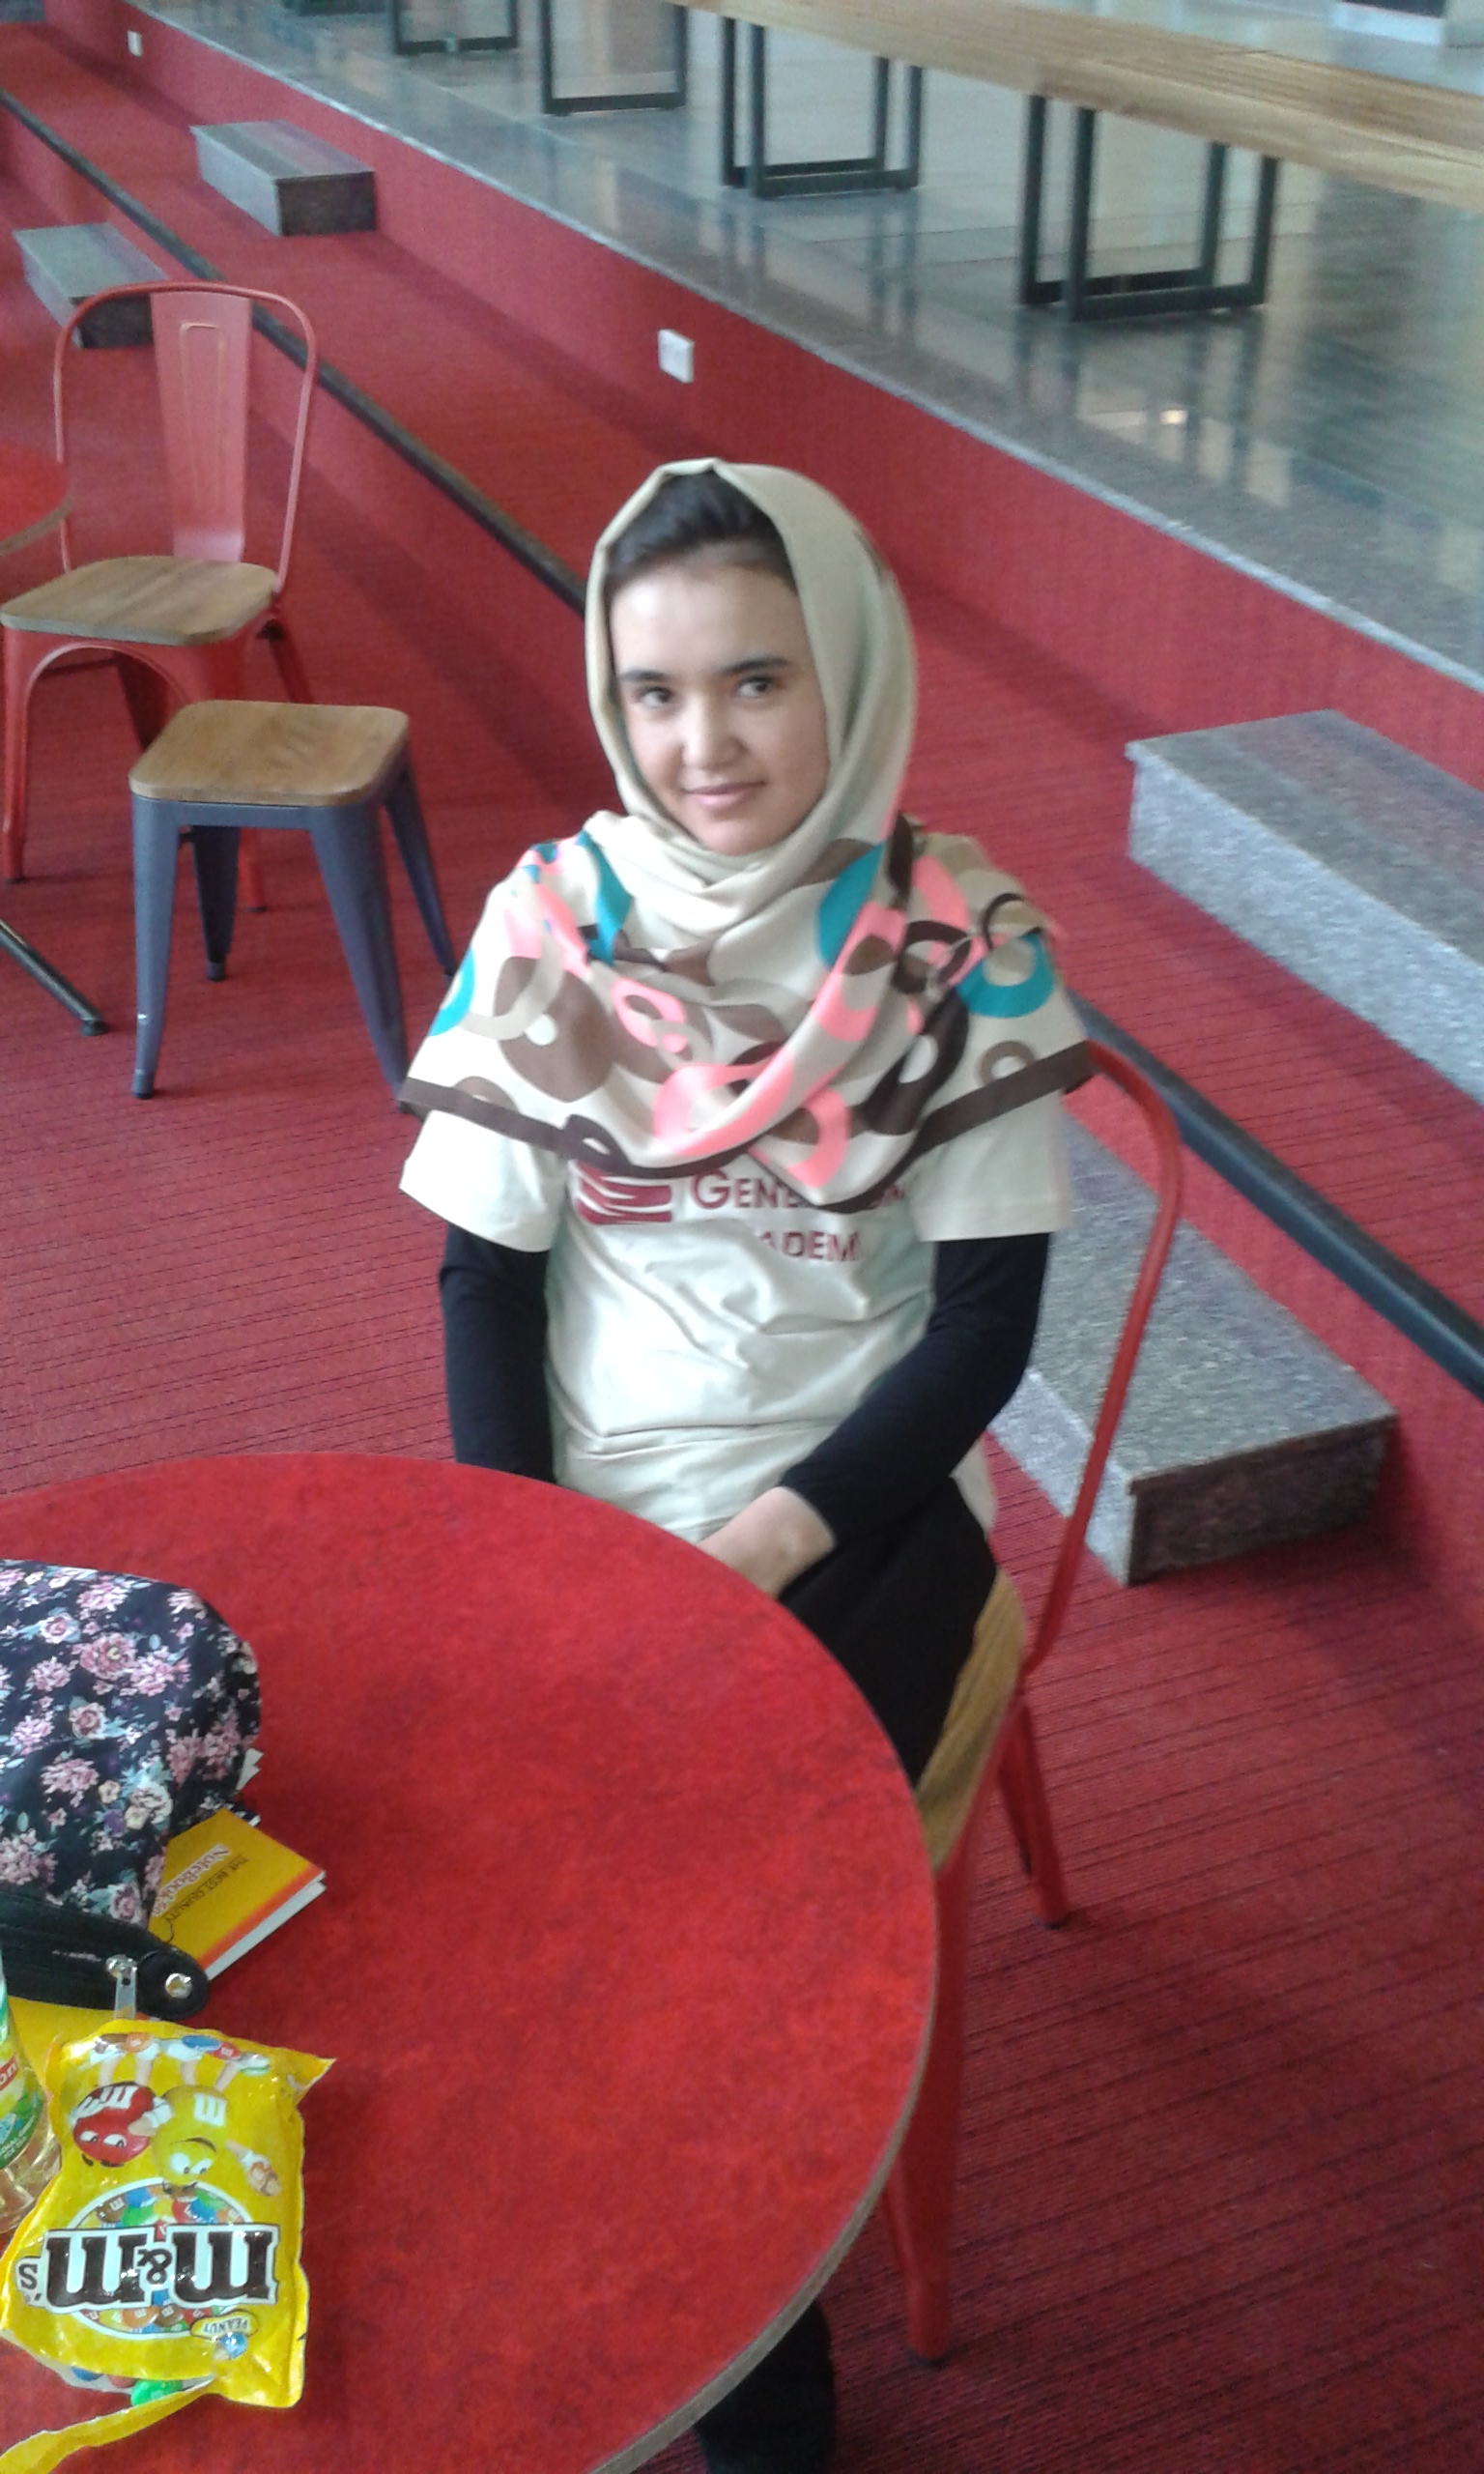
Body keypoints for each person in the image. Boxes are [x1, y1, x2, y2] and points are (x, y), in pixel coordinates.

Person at [398, 461, 1087, 2473]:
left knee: (709, 1915)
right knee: (459, 1841)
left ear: (848, 675)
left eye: (759, 680)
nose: (704, 744)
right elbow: (483, 1275)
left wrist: (755, 1550)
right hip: (585, 1506)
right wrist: (540, 1563)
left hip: (852, 1508)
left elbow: (982, 1333)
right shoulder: (556, 922)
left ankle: (753, 2378)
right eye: (658, 690)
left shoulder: (959, 944)